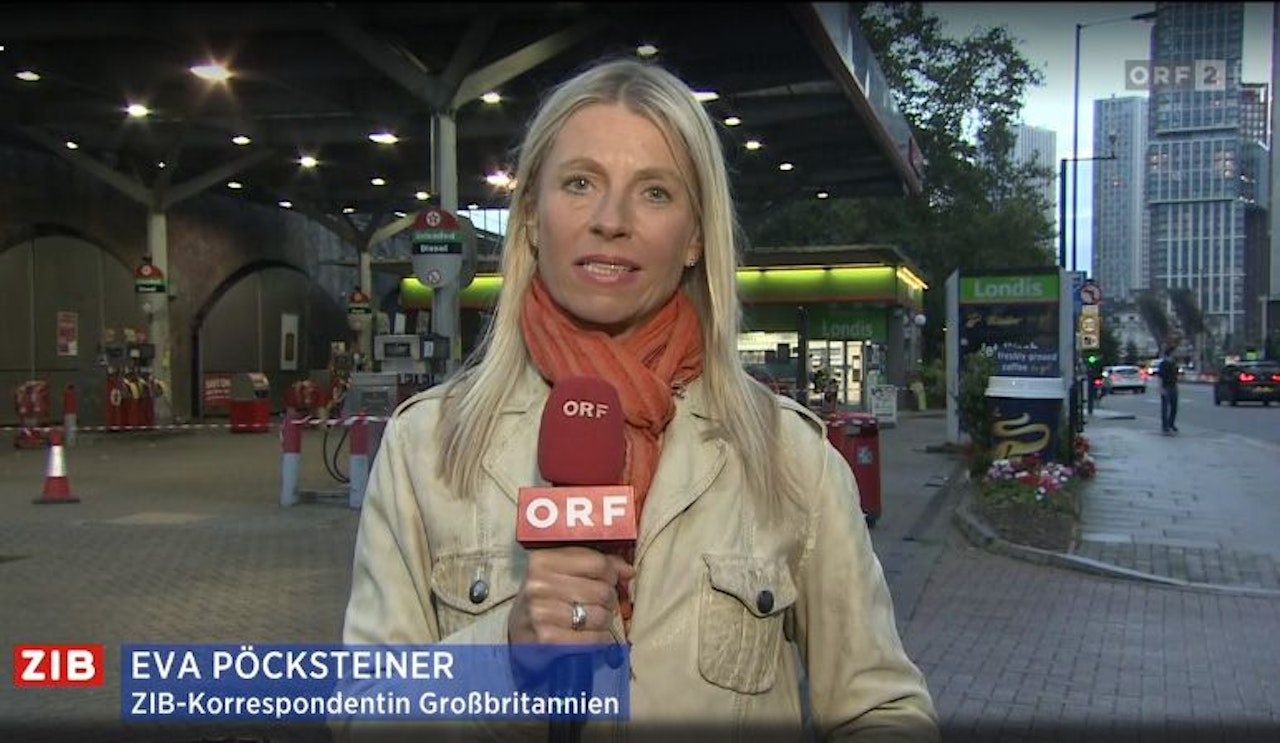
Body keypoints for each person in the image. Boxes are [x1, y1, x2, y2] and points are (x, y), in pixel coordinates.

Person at [337, 58, 938, 742]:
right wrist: (502, 655)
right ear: (530, 216)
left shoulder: (789, 457)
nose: (611, 221)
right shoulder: (427, 447)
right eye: (580, 183)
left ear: (695, 237)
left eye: (654, 192)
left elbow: (881, 708)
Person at [1157, 344, 1180, 434]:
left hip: (1173, 386)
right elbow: (1160, 377)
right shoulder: (1163, 364)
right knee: (1165, 408)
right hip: (1166, 387)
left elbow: (1175, 376)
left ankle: (1171, 423)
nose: (1177, 353)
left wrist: (1176, 385)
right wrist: (1160, 388)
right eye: (1175, 352)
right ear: (1171, 353)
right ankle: (1165, 426)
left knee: (1174, 407)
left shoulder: (1174, 363)